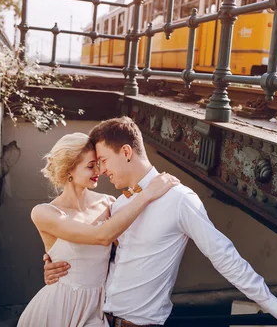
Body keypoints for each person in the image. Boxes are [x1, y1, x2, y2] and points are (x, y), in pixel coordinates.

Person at [43, 118, 277, 327]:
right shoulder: (121, 204)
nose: (101, 171)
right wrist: (54, 264)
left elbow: (224, 256)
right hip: (98, 319)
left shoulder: (180, 199)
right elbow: (98, 249)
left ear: (126, 151)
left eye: (103, 161)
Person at [18, 132, 179, 327]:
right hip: (60, 307)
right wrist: (147, 195)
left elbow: (123, 250)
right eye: (90, 166)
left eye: (98, 163)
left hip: (98, 308)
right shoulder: (44, 213)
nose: (99, 170)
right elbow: (101, 236)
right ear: (69, 169)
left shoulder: (109, 203)